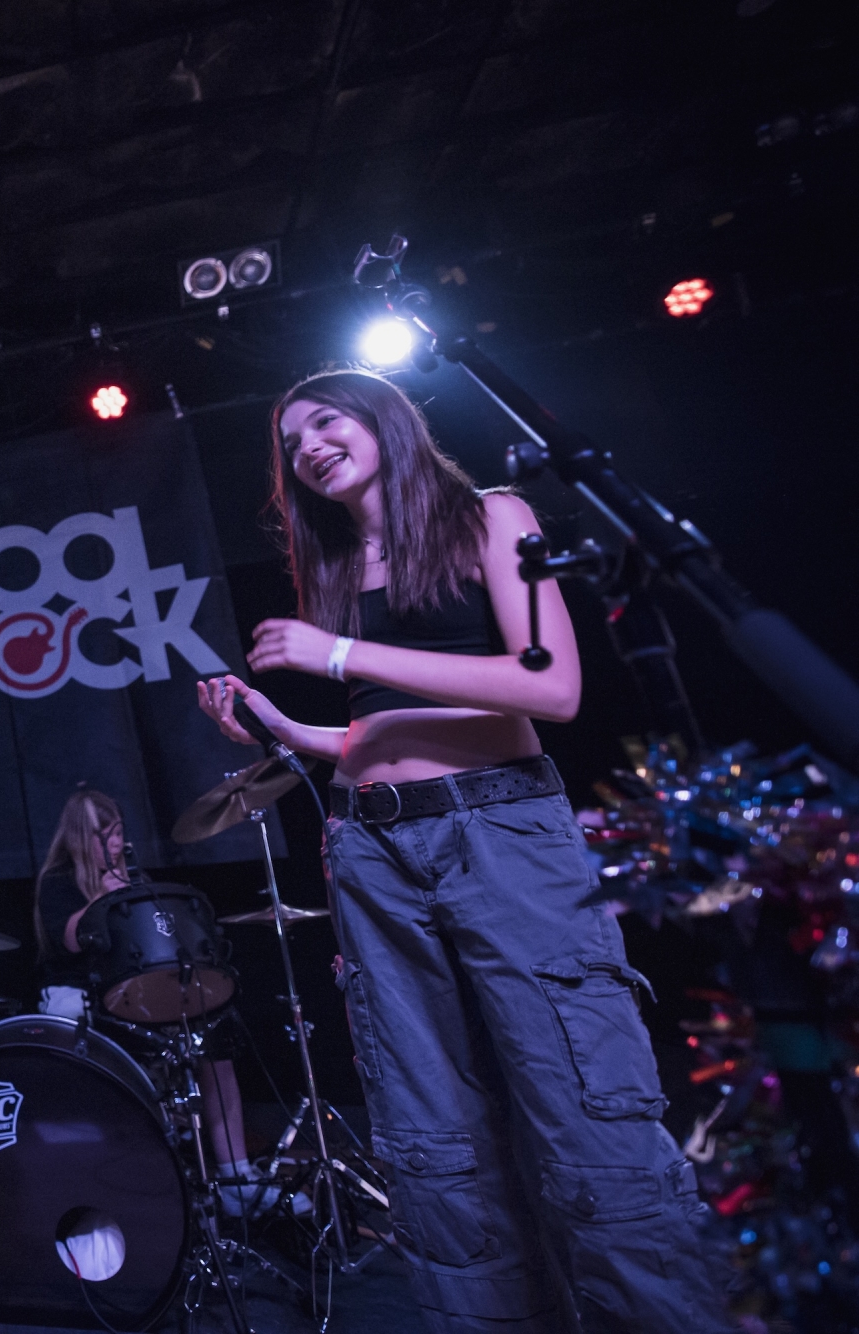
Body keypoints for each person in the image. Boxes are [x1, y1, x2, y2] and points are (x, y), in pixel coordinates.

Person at [196, 369, 730, 1331]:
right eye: (291, 442)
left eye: (326, 420)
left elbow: (549, 686)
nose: (309, 445)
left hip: (498, 832)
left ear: (382, 419)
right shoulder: (335, 568)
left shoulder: (489, 515)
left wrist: (342, 658)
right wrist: (282, 724)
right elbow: (373, 736)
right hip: (370, 848)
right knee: (432, 1133)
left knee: (580, 1109)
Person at [33, 788, 302, 1219]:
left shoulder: (132, 878)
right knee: (69, 1024)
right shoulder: (60, 881)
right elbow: (68, 940)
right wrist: (103, 897)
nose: (117, 844)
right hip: (80, 993)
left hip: (134, 994)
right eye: (107, 835)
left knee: (213, 1045)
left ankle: (236, 1177)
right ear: (83, 839)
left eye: (119, 832)